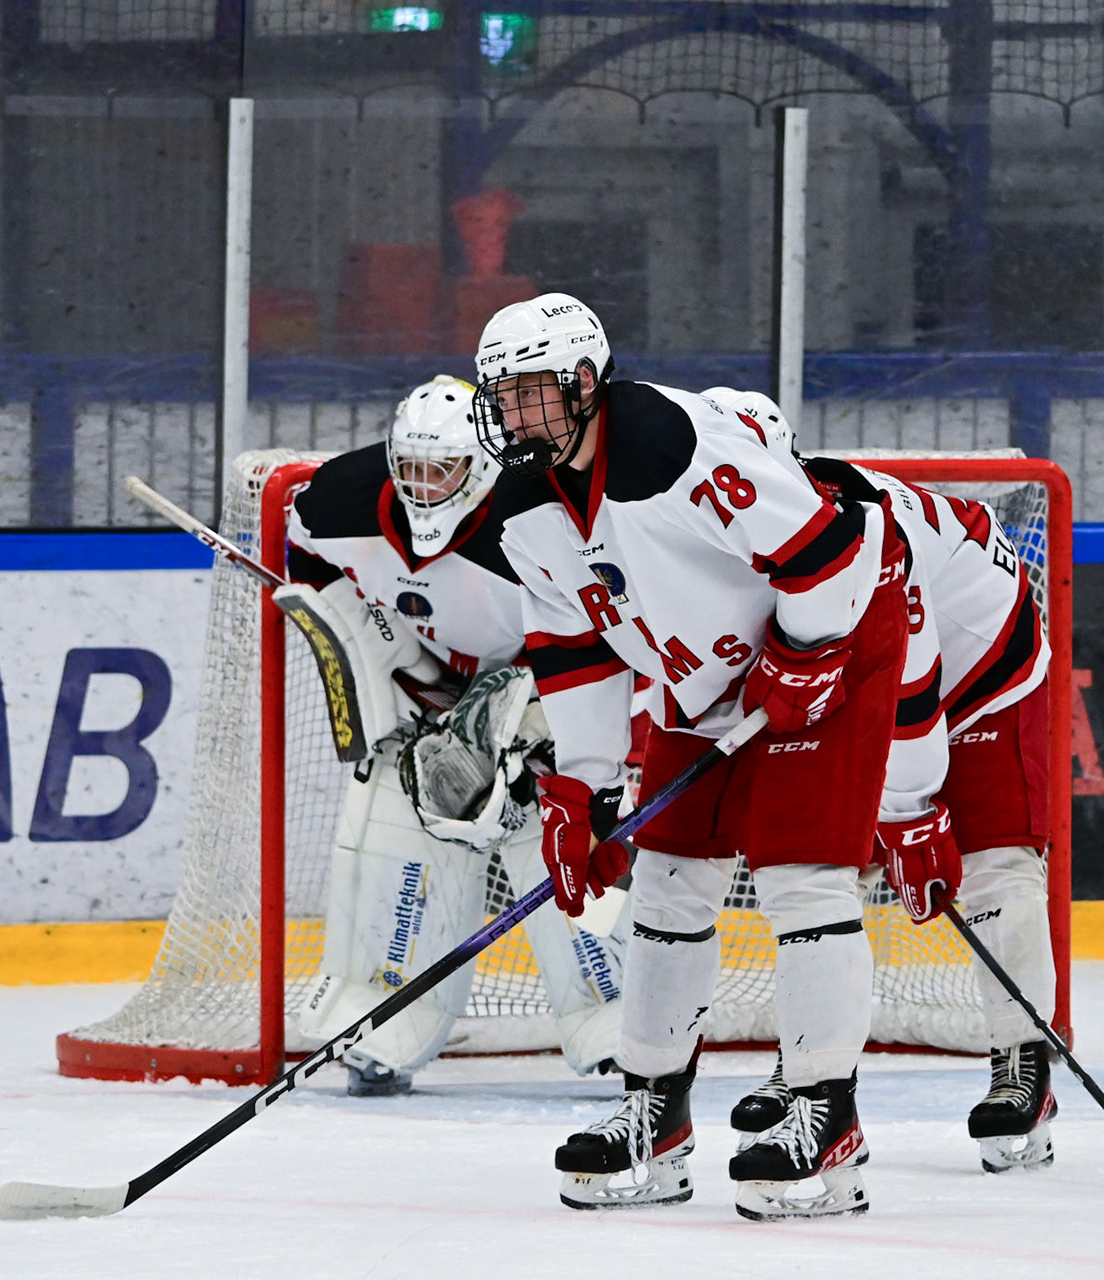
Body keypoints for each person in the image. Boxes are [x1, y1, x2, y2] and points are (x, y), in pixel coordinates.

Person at [472, 294, 949, 1219]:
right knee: (666, 882)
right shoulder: (523, 506)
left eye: (531, 393)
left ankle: (827, 1114)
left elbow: (829, 549)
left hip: (833, 635)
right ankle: (655, 1110)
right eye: (502, 397)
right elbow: (573, 645)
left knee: (801, 876)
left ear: (583, 383)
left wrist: (805, 654)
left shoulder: (670, 444)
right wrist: (583, 791)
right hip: (705, 672)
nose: (514, 415)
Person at [698, 388, 1059, 1174]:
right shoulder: (714, 526)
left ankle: (1023, 1059)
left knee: (996, 859)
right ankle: (810, 1062)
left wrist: (914, 813)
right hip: (883, 662)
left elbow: (911, 676)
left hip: (985, 653)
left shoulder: (852, 530)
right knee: (825, 858)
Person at [278, 374, 626, 1096]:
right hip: (435, 696)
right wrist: (389, 654)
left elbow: (603, 633)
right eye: (410, 466)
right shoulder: (340, 497)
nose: (423, 485)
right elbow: (306, 554)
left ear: (483, 467)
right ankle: (385, 1020)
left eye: (443, 469)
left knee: (558, 835)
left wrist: (531, 719)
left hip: (544, 696)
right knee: (396, 822)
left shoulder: (534, 520)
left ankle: (612, 1014)